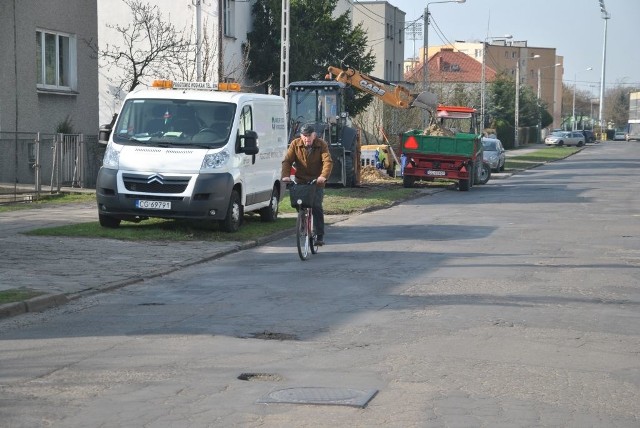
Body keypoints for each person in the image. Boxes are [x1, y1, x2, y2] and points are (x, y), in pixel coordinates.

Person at [281, 124, 333, 246]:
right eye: (305, 136)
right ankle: (303, 221)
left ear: (314, 135)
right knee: (298, 203)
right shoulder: (295, 144)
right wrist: (286, 175)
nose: (307, 138)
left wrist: (323, 177)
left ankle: (319, 235)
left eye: (309, 136)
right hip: (301, 180)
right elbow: (287, 161)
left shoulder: (321, 144)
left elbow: (327, 161)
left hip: (316, 181)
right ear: (301, 136)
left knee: (316, 206)